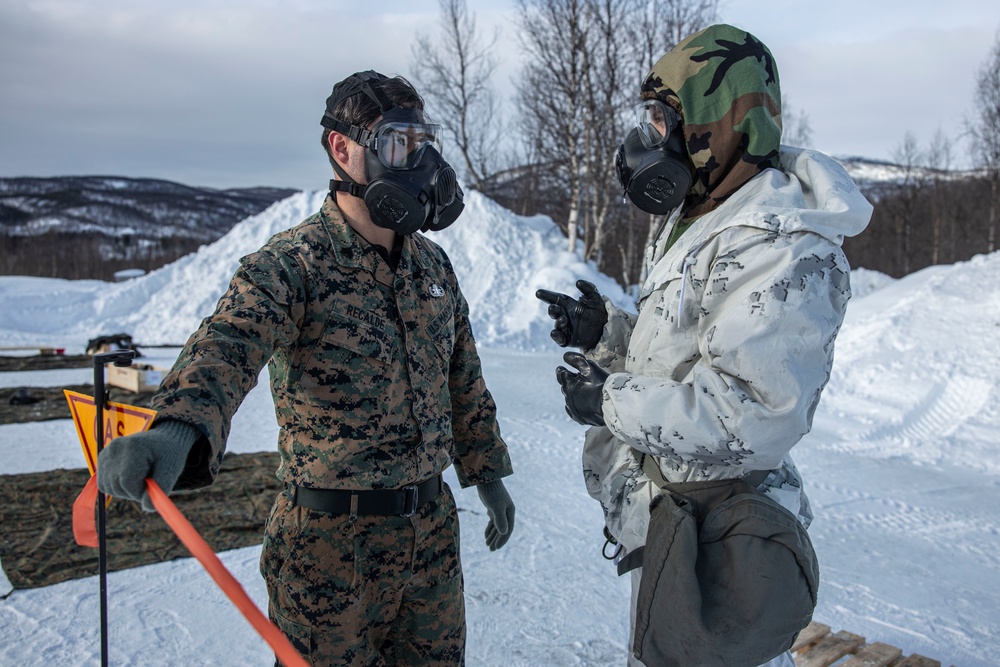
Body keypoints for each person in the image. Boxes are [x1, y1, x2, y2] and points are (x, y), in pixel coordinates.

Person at [97, 70, 516, 666]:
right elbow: (226, 344)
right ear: (342, 149)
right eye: (398, 143)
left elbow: (463, 379)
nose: (417, 161)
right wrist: (175, 428)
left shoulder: (432, 266)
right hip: (328, 555)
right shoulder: (293, 264)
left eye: (421, 143)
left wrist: (486, 473)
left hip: (431, 542)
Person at [537, 24, 872, 667]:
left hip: (725, 543)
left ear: (721, 124)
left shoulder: (781, 245)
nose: (649, 140)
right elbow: (682, 356)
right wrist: (605, 334)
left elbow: (744, 416)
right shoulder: (706, 213)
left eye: (665, 121)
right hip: (673, 525)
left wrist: (608, 401)